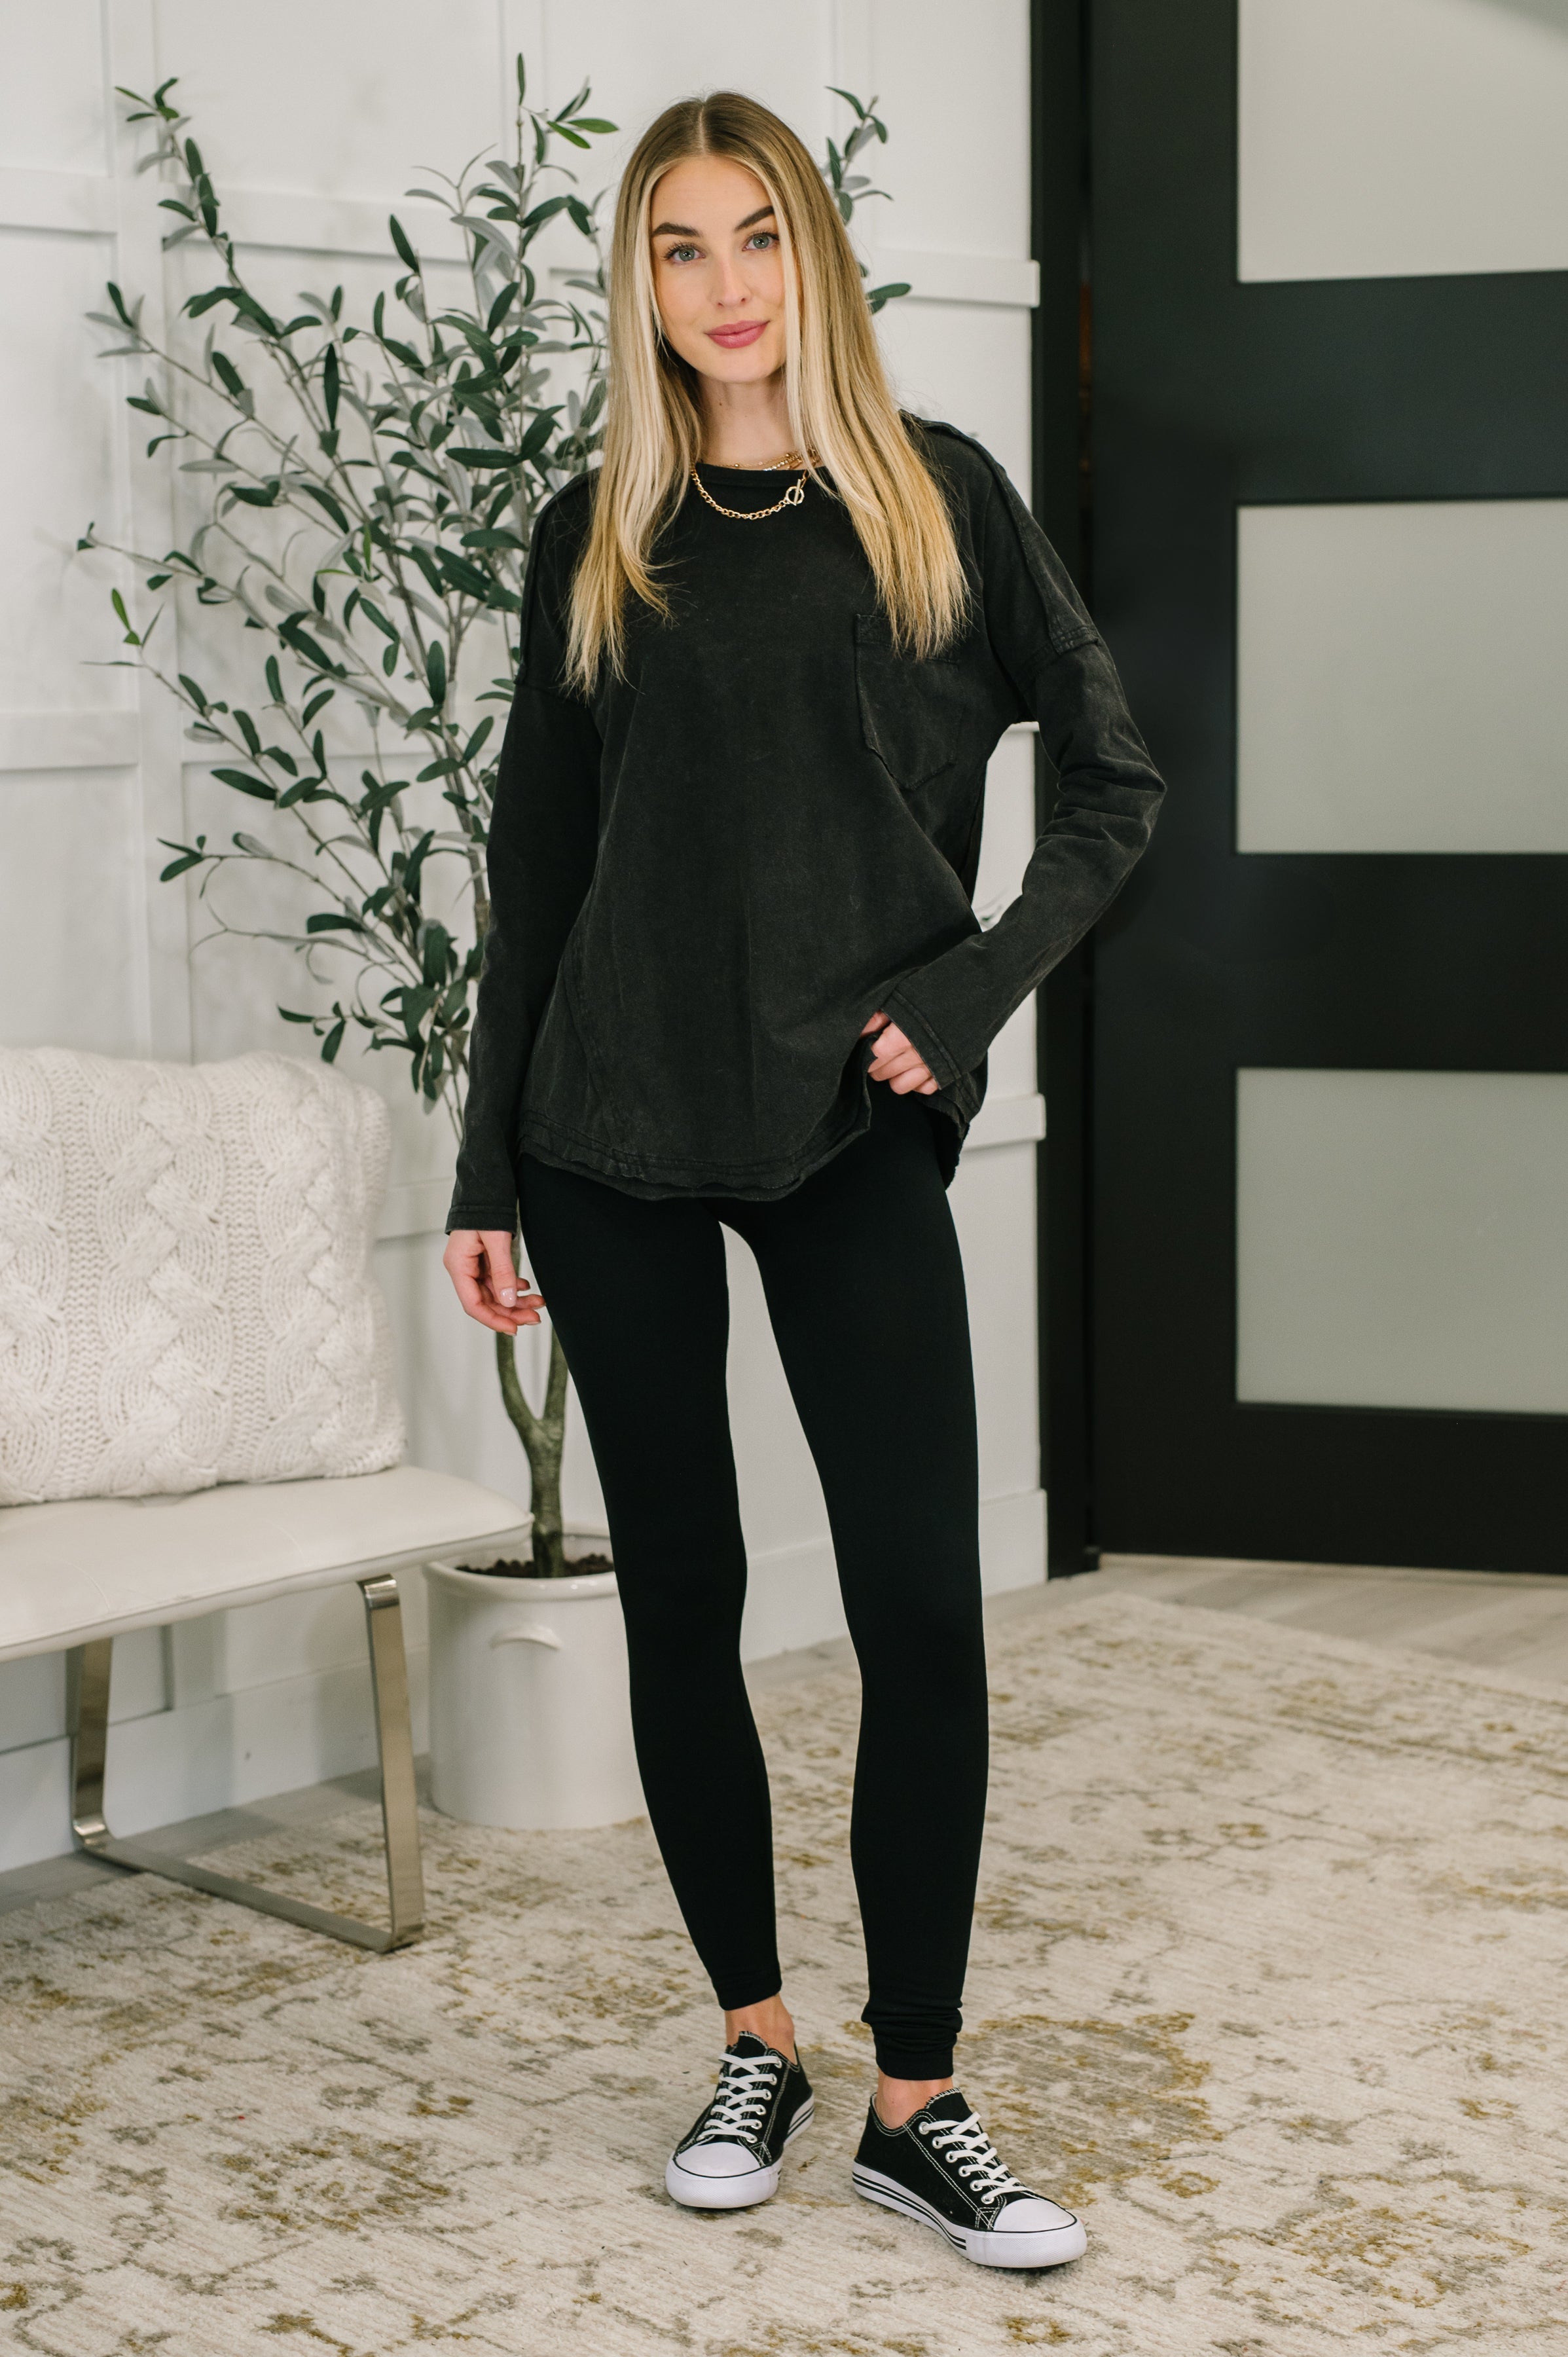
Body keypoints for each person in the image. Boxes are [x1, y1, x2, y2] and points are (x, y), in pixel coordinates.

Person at [443, 90, 1163, 2271]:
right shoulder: (600, 532)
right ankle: (752, 2040)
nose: (725, 285)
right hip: (607, 1136)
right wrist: (485, 1169)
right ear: (640, 286)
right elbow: (536, 871)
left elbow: (1111, 784)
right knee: (685, 1597)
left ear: (814, 256)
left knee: (919, 1610)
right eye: (678, 248)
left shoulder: (938, 498)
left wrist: (961, 998)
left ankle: (913, 2098)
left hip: (849, 1125)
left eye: (755, 235)